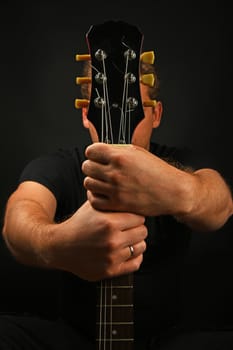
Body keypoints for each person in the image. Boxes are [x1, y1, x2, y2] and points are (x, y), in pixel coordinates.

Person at [1, 36, 233, 350]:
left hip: (165, 341)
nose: (121, 127)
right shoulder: (61, 166)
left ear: (156, 114)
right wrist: (59, 243)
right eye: (103, 109)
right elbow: (20, 216)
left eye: (134, 111)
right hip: (76, 339)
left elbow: (219, 202)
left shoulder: (180, 163)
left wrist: (179, 191)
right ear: (86, 114)